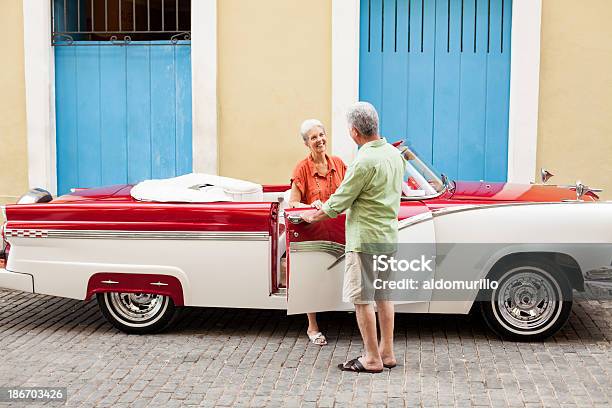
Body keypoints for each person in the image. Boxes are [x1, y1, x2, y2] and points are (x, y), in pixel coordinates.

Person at [301, 102, 405, 373]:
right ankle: (387, 352)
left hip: (365, 239)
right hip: (388, 236)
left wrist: (313, 215)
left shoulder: (363, 160)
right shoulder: (394, 155)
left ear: (355, 131)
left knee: (362, 299)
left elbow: (340, 201)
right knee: (385, 296)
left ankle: (371, 358)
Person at [282, 119, 347, 346]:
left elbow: (349, 192)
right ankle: (312, 326)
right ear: (306, 143)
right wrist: (314, 205)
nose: (319, 140)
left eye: (321, 135)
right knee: (311, 277)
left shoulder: (338, 164)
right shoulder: (301, 169)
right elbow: (293, 204)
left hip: (338, 229)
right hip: (313, 229)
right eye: (313, 137)